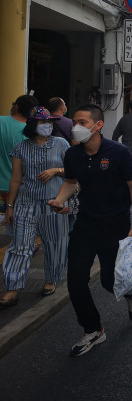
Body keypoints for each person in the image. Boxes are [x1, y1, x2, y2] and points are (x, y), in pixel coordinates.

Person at [48, 104, 132, 357]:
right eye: (74, 122)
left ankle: (131, 294)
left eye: (82, 122)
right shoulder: (72, 155)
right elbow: (71, 182)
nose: (76, 127)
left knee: (110, 281)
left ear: (98, 125)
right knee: (75, 280)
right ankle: (93, 330)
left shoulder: (119, 152)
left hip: (115, 225)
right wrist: (59, 200)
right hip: (85, 223)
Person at [1, 107, 71, 308]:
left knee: (55, 243)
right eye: (42, 122)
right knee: (20, 245)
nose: (47, 125)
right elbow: (16, 179)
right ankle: (13, 288)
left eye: (49, 121)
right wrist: (10, 206)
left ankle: (51, 280)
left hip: (55, 203)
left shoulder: (61, 144)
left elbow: (72, 171)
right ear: (33, 125)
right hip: (26, 203)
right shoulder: (20, 148)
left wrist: (55, 170)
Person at [0, 95, 38, 222]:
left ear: (16, 107)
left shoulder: (1, 121)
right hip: (19, 190)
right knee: (14, 227)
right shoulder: (32, 133)